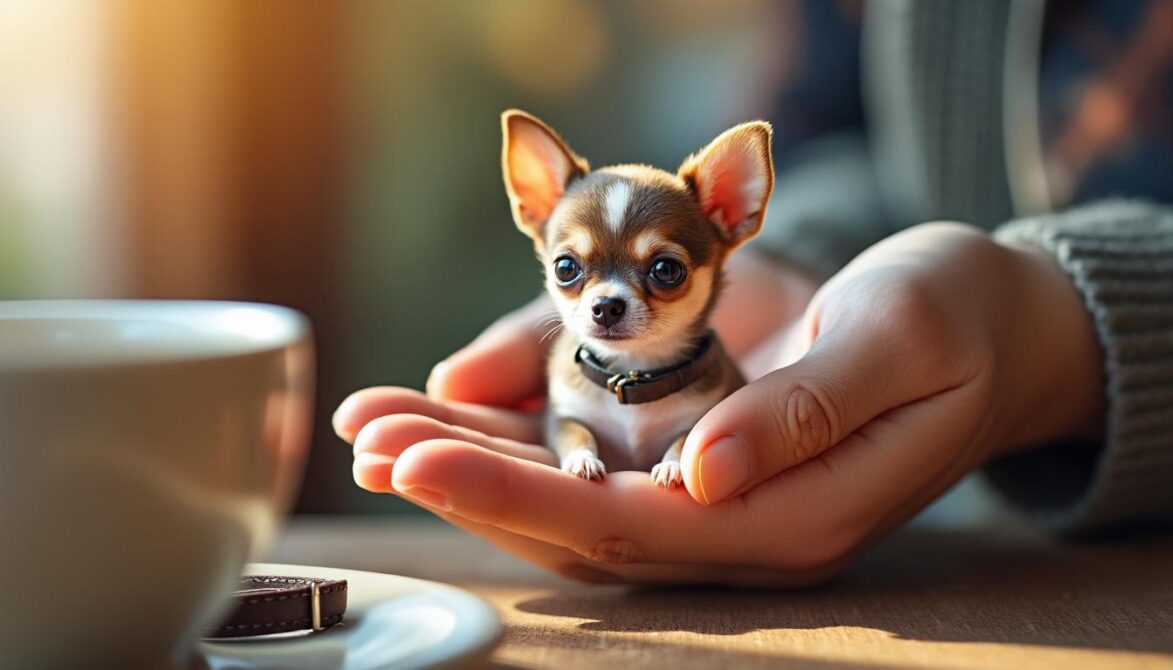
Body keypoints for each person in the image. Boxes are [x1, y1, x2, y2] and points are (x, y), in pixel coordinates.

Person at [333, 0, 1173, 585]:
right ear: (535, 210)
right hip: (959, 549)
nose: (606, 299)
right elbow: (838, 137)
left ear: (732, 214)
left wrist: (1056, 325)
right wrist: (809, 254)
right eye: (572, 271)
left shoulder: (716, 365)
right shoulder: (574, 375)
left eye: (661, 270)